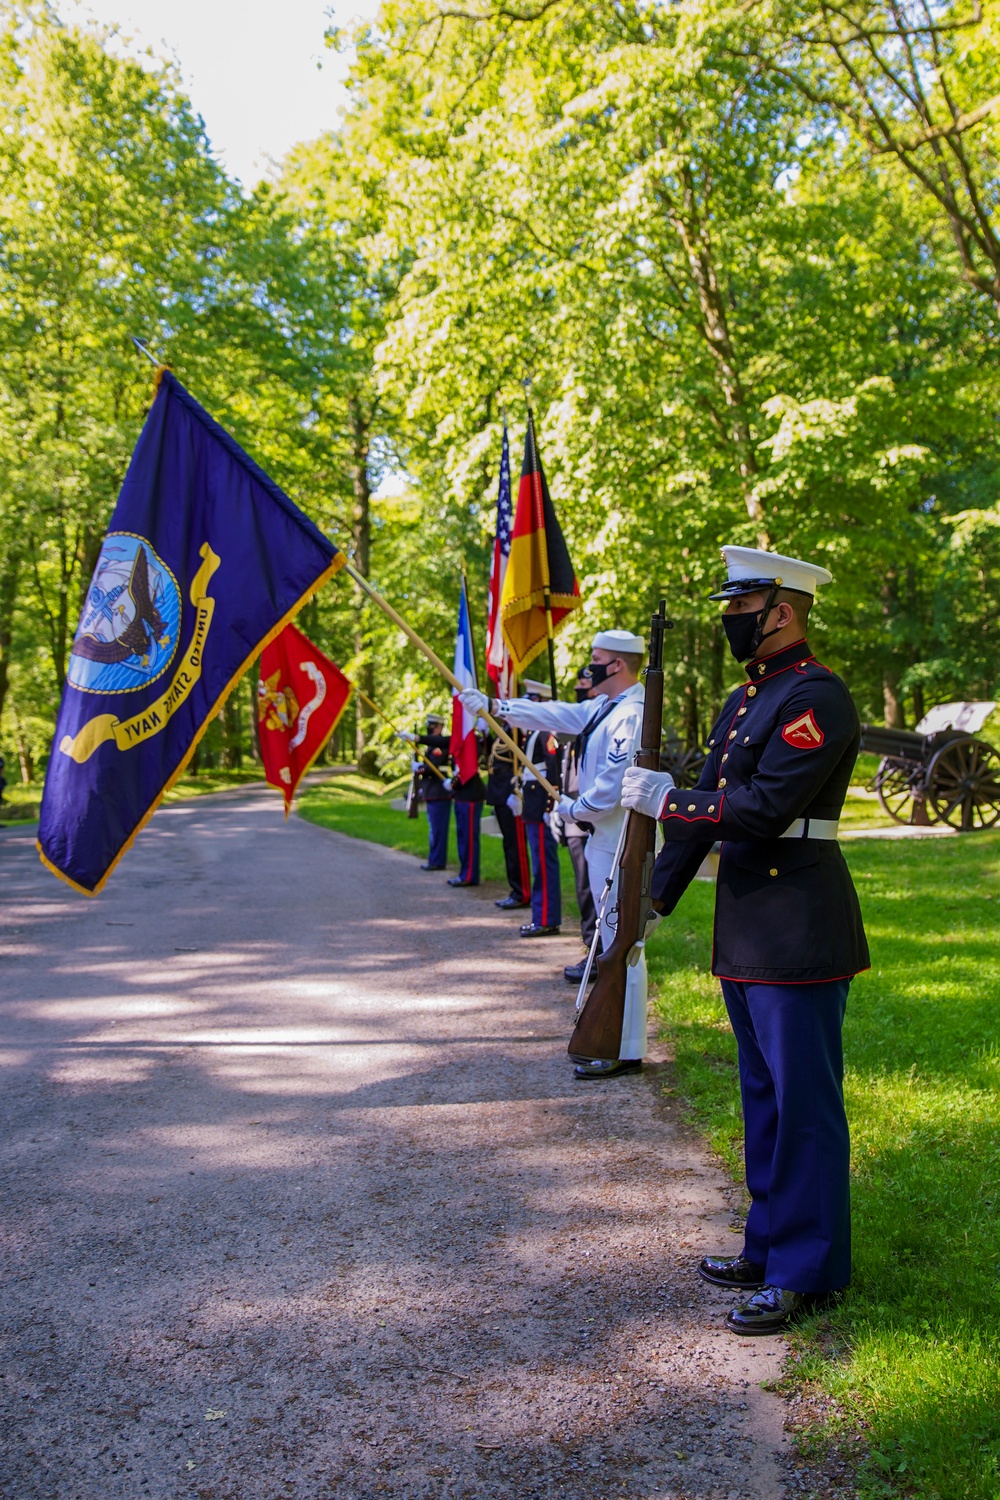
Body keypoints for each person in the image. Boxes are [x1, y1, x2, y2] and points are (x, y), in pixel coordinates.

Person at [620, 546, 869, 1336]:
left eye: (740, 607)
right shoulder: (746, 698)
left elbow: (759, 810)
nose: (728, 618)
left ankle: (808, 1272)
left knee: (803, 1108)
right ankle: (768, 1247)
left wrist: (669, 802)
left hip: (799, 923)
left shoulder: (816, 697)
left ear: (783, 611)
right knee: (762, 1100)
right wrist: (651, 898)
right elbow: (716, 801)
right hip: (750, 928)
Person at [460, 628, 648, 1080]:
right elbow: (561, 713)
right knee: (612, 938)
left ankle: (623, 1044)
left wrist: (573, 807)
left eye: (595, 659)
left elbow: (612, 784)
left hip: (618, 838)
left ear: (617, 665)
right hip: (603, 836)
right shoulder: (607, 706)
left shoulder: (631, 714)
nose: (589, 667)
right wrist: (499, 707)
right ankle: (617, 1040)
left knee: (623, 941)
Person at [552, 667, 599, 981]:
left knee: (594, 887)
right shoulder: (580, 721)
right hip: (570, 808)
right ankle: (590, 949)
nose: (581, 690)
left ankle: (596, 955)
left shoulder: (600, 719)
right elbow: (564, 766)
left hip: (590, 809)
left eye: (586, 685)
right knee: (583, 886)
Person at [516, 680, 563, 937]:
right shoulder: (535, 731)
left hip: (540, 805)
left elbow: (553, 770)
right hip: (533, 805)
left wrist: (550, 805)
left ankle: (546, 918)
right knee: (539, 863)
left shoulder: (545, 731)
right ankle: (541, 915)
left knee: (544, 864)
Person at [485, 730, 531, 910]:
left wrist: (517, 790)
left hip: (511, 794)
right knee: (509, 845)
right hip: (499, 794)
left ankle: (522, 893)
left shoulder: (517, 730)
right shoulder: (504, 731)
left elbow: (521, 762)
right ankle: (515, 890)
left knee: (516, 846)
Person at [406, 713, 452, 871]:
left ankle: (437, 861)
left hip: (439, 791)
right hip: (432, 791)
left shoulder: (440, 746)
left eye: (432, 726)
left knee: (438, 829)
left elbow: (433, 766)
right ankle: (434, 859)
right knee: (434, 828)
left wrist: (420, 768)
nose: (429, 728)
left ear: (439, 727)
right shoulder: (432, 746)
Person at [449, 735, 486, 887]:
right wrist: (416, 738)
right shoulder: (460, 738)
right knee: (462, 836)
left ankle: (470, 874)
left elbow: (471, 762)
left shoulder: (473, 739)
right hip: (460, 794)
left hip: (471, 794)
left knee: (469, 838)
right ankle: (464, 872)